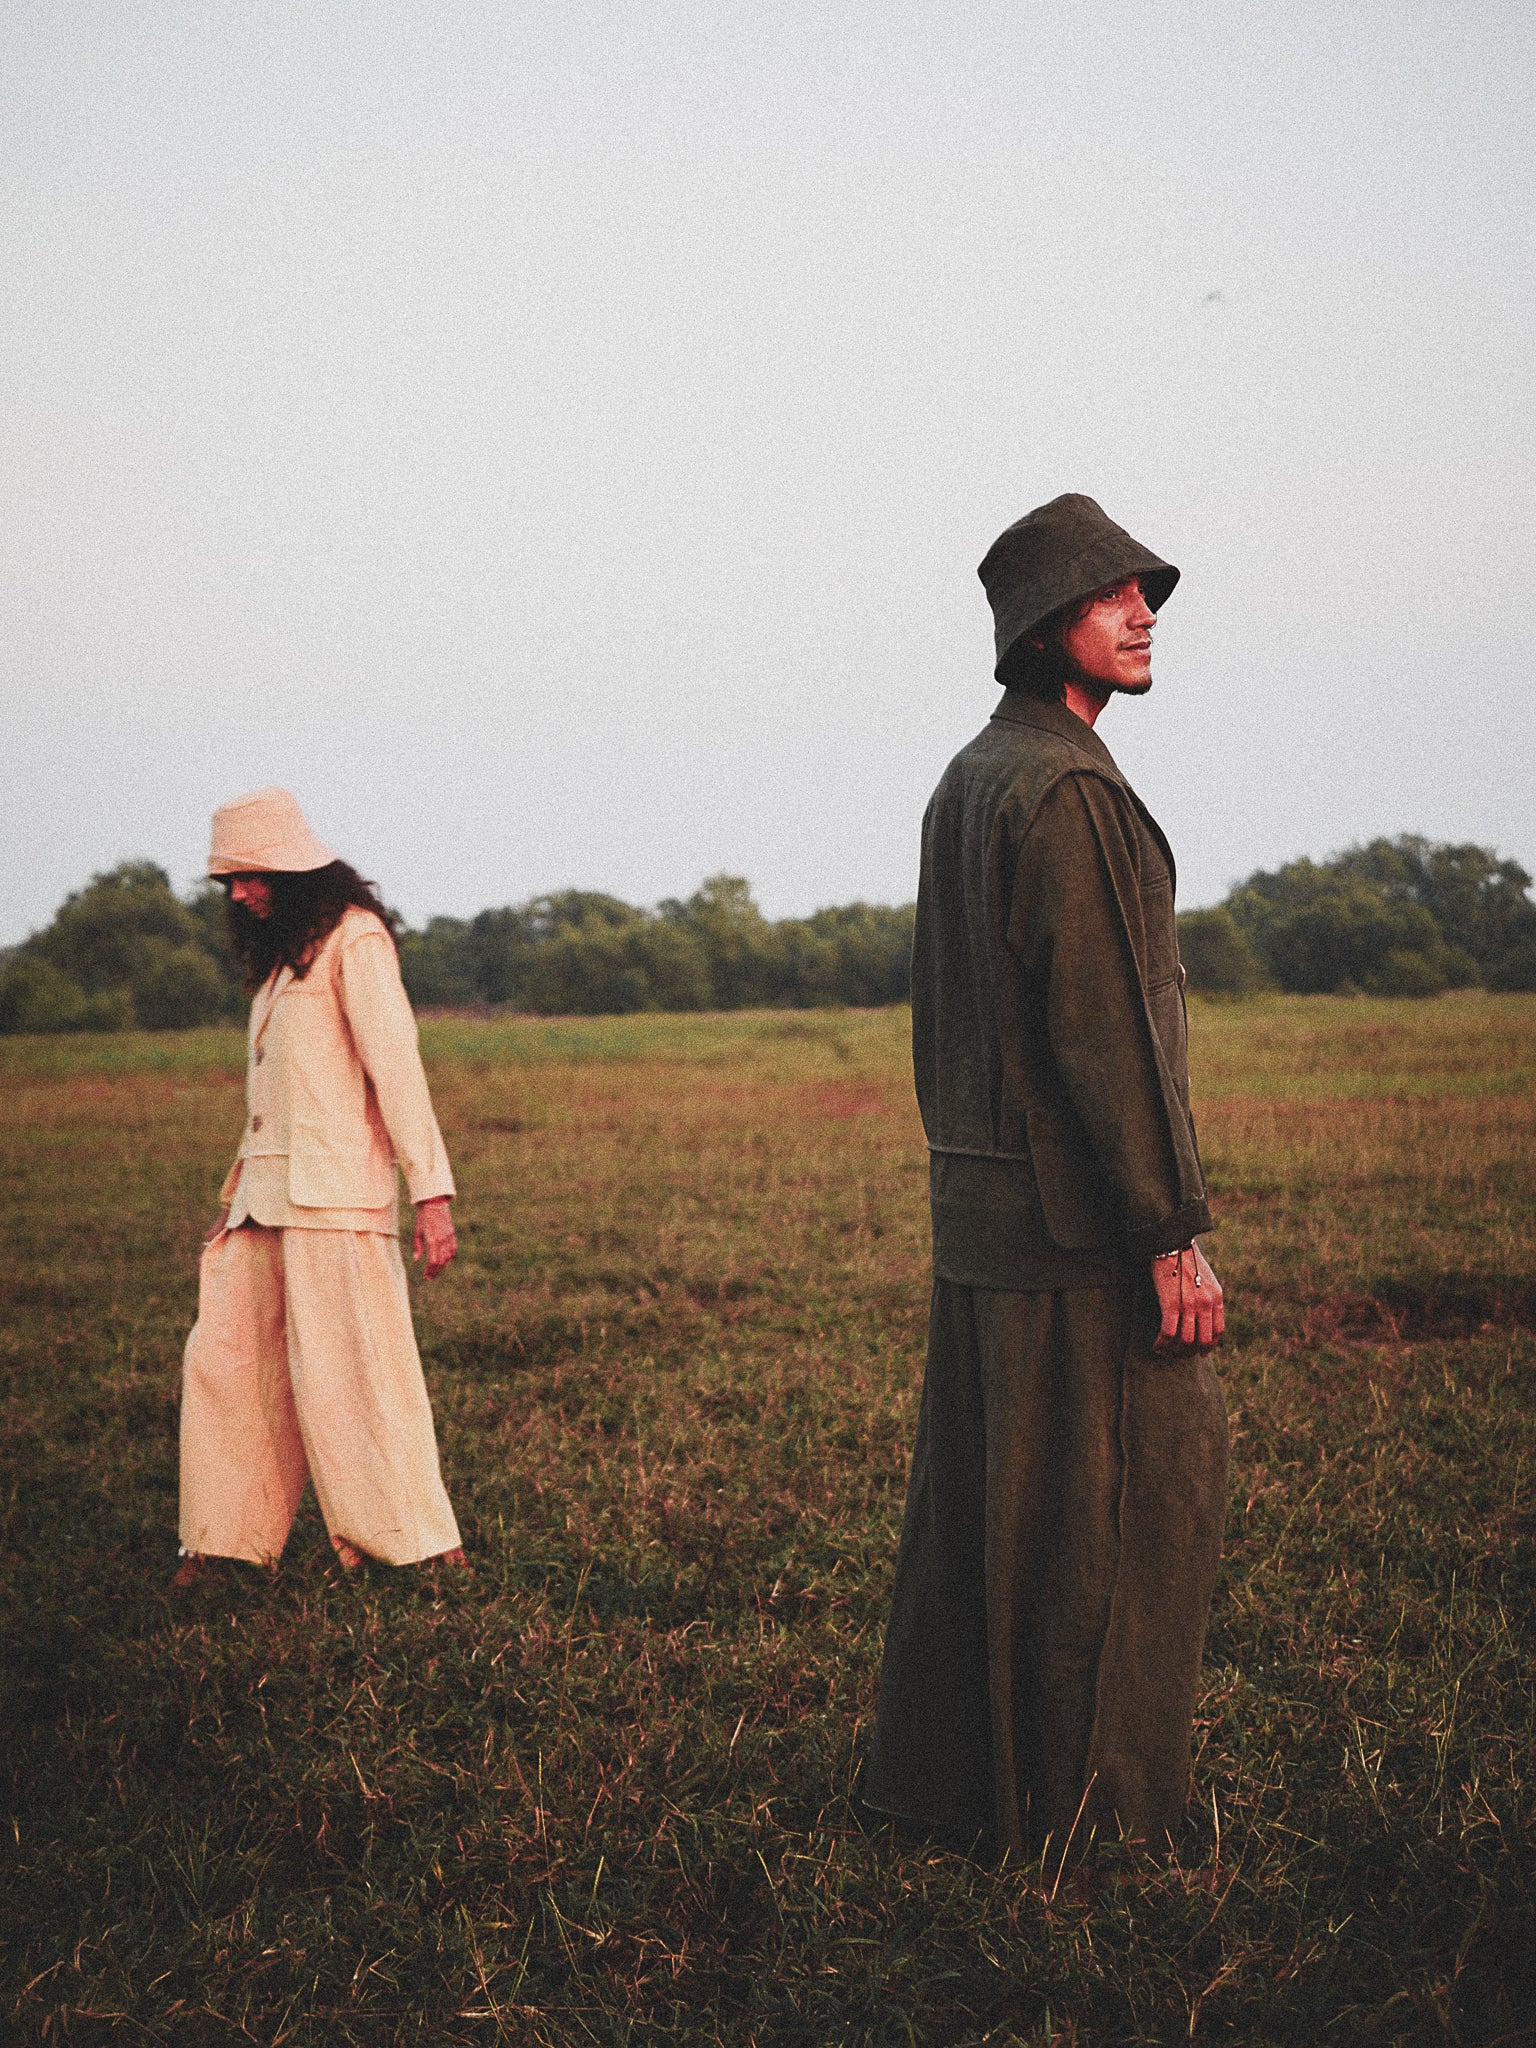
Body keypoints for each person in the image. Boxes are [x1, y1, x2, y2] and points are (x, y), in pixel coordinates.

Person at [863, 494, 1229, 1862]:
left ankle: (956, 1797)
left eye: (1145, 592)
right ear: (1041, 629)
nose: (1142, 614)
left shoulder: (973, 776)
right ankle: (1098, 1821)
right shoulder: (1065, 788)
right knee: (1124, 1516)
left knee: (987, 1529)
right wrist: (1169, 1234)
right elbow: (1106, 1036)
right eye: (1108, 595)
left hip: (986, 1221)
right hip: (1078, 1235)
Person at [173, 787, 466, 1586]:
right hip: (261, 1204)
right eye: (229, 881)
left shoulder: (354, 941)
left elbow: (397, 1072)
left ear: (291, 871)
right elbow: (272, 1097)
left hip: (337, 1201)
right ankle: (223, 1544)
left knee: (357, 1376)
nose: (238, 894)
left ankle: (416, 1545)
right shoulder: (282, 961)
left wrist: (431, 1196)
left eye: (249, 877)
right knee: (227, 1369)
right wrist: (230, 1205)